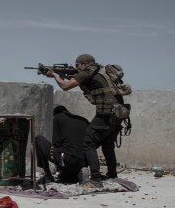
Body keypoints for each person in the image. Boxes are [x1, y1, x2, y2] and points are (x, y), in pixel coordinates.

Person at [44, 54, 124, 188]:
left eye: (77, 65)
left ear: (84, 64)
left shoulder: (87, 72)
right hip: (119, 112)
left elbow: (65, 87)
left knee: (88, 143)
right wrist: (64, 75)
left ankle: (96, 179)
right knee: (107, 143)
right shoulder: (99, 70)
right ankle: (112, 174)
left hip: (106, 112)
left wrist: (55, 76)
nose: (76, 68)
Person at [35, 105, 88, 184]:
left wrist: (58, 161)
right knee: (67, 176)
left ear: (55, 113)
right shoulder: (83, 121)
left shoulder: (57, 117)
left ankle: (48, 175)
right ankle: (80, 171)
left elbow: (56, 143)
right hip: (83, 161)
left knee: (38, 139)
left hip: (67, 159)